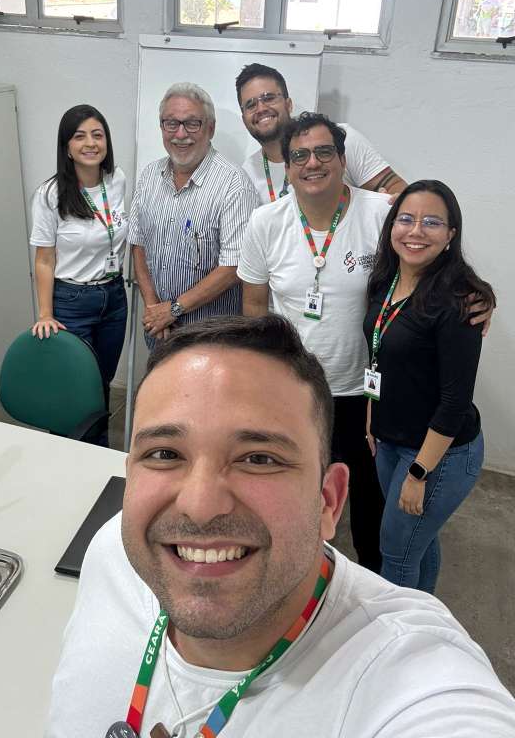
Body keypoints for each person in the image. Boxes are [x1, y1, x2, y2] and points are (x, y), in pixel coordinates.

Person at [46, 316, 515, 738]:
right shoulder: (112, 555)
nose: (200, 507)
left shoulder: (407, 679)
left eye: (258, 458)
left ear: (328, 501)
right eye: (165, 453)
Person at [238, 112, 391, 572]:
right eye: (300, 155)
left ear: (342, 159)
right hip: (298, 390)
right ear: (287, 167)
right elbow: (254, 307)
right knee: (299, 490)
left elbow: (431, 263)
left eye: (324, 152)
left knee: (369, 500)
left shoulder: (380, 214)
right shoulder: (266, 223)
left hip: (364, 393)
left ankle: (368, 577)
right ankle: (299, 572)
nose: (313, 163)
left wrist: (472, 297)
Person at [363, 180, 496, 593]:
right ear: (392, 226)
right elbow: (379, 356)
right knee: (417, 543)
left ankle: (400, 630)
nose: (416, 231)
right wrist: (372, 416)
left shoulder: (461, 301)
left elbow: (455, 402)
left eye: (432, 222)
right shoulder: (384, 281)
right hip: (388, 439)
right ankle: (426, 612)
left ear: (450, 234)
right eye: (406, 219)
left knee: (396, 554)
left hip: (438, 455)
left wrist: (419, 472)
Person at [129, 82, 259, 345]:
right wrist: (153, 307)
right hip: (160, 331)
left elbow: (233, 267)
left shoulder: (234, 185)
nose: (180, 134)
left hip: (211, 337)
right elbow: (138, 245)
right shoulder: (149, 176)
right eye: (171, 123)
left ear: (210, 128)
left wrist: (173, 309)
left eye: (192, 123)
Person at [30, 104, 128, 396]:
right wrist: (45, 314)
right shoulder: (50, 195)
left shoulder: (117, 180)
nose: (90, 143)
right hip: (72, 301)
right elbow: (44, 260)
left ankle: (99, 428)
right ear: (67, 147)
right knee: (76, 384)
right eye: (79, 136)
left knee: (102, 380)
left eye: (97, 135)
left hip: (114, 296)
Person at [236, 62, 407, 204]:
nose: (261, 108)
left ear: (288, 105)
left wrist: (395, 203)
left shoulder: (338, 140)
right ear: (244, 119)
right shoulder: (247, 174)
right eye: (250, 105)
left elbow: (396, 188)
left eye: (268, 98)